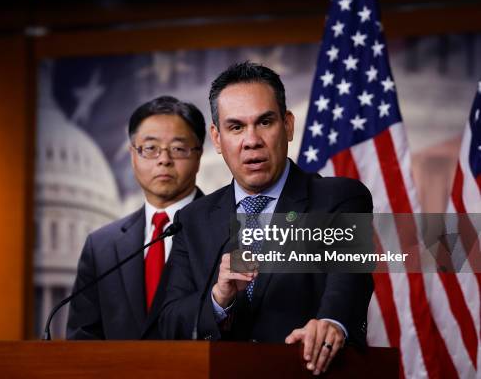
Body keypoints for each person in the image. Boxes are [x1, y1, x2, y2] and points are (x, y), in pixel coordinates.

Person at [159, 62, 374, 375]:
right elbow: (169, 322)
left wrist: (332, 322)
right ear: (217, 139)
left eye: (265, 122)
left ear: (287, 125)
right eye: (236, 127)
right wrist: (219, 300)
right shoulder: (193, 219)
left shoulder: (338, 199)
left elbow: (350, 280)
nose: (252, 140)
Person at [67, 95, 205, 339]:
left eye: (178, 149)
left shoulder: (232, 230)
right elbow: (83, 339)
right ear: (133, 156)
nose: (164, 160)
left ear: (198, 156)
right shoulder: (101, 246)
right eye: (150, 148)